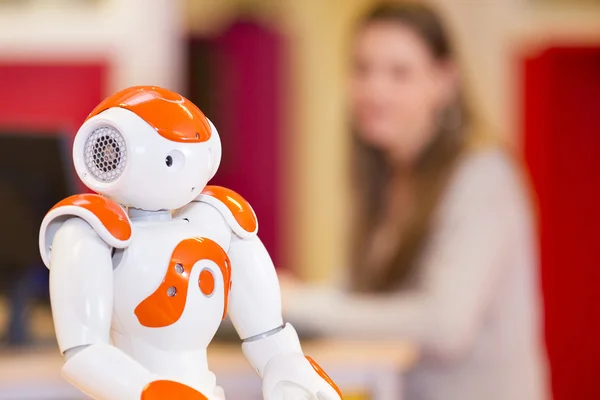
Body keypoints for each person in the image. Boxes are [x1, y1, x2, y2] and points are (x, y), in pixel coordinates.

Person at [281, 2, 550, 399]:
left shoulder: (481, 176)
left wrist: (306, 308)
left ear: (445, 81)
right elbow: (367, 294)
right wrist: (286, 298)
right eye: (363, 69)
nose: (376, 89)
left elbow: (445, 325)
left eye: (399, 73)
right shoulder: (387, 176)